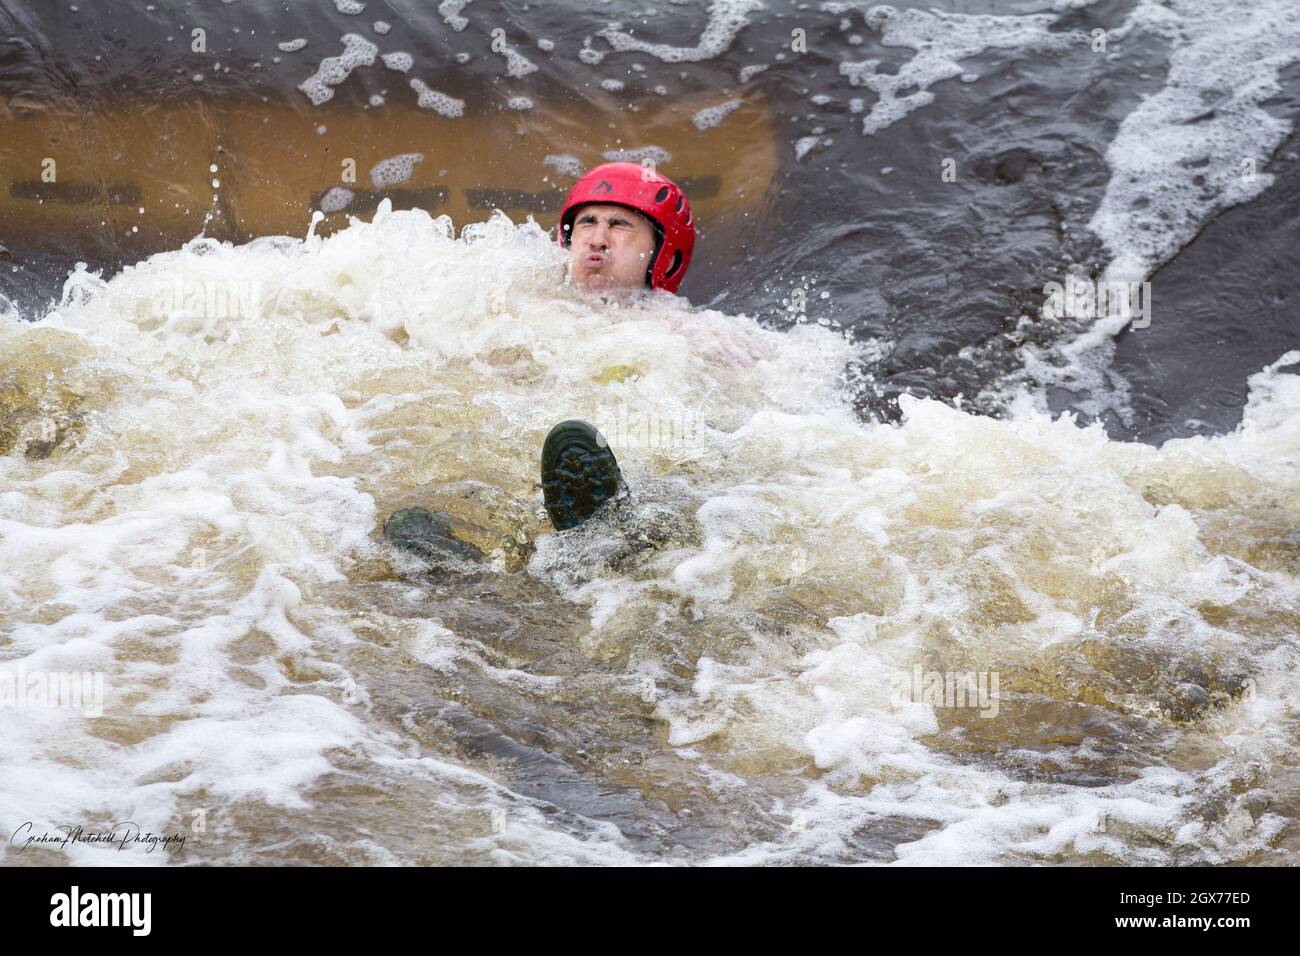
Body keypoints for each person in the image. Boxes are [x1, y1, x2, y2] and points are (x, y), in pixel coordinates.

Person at [383, 162, 697, 560]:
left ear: (662, 250)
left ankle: (609, 532)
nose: (598, 239)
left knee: (649, 459)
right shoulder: (519, 303)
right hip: (534, 435)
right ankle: (476, 570)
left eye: (619, 225)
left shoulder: (687, 332)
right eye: (586, 223)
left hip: (627, 445)